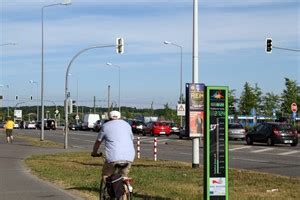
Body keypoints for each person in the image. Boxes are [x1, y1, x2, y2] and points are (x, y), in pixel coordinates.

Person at [91, 110, 135, 179]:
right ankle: (127, 186)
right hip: (129, 156)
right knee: (123, 176)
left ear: (109, 117)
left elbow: (98, 142)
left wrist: (94, 152)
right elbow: (132, 139)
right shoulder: (127, 125)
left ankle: (107, 189)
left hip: (113, 157)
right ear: (120, 117)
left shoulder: (105, 126)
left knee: (106, 175)